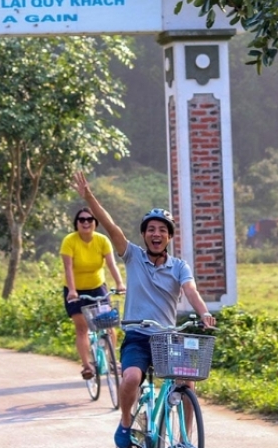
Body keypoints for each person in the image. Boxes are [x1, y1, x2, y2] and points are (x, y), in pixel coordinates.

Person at [71, 171, 217, 448]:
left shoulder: (179, 267)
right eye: (151, 229)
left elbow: (191, 291)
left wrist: (203, 312)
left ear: (169, 237)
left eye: (162, 230)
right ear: (144, 235)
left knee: (187, 383)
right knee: (131, 378)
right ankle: (126, 423)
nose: (156, 234)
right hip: (137, 335)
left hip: (167, 338)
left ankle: (184, 438)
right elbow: (112, 226)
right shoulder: (133, 256)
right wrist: (88, 197)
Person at [61, 207, 125, 380]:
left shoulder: (102, 240)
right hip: (75, 289)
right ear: (77, 224)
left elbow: (112, 264)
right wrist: (72, 291)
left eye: (90, 219)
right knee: (82, 328)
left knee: (109, 325)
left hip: (97, 287)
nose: (86, 222)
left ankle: (112, 361)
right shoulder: (70, 241)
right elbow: (68, 268)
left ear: (95, 223)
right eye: (82, 220)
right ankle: (87, 365)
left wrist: (119, 283)